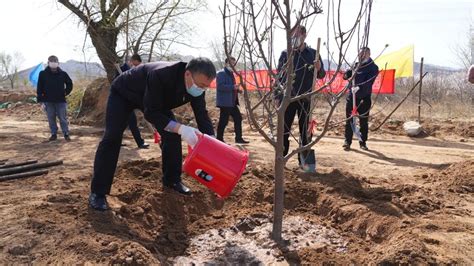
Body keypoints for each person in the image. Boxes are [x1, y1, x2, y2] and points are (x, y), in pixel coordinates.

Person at [89, 57, 216, 211]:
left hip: (155, 101)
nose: (202, 89)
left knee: (172, 135)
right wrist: (182, 129)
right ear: (188, 74)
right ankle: (98, 193)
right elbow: (151, 113)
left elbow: (201, 114)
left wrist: (212, 142)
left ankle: (172, 180)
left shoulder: (198, 88)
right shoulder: (161, 74)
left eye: (206, 87)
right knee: (112, 137)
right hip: (125, 93)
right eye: (201, 85)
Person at [276, 25, 325, 156]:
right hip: (288, 98)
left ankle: (304, 160)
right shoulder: (286, 54)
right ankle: (282, 158)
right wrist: (277, 97)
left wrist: (319, 68)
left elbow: (321, 75)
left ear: (304, 35)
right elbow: (279, 77)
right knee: (284, 130)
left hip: (306, 98)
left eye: (297, 35)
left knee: (305, 132)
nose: (294, 39)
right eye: (292, 36)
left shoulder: (314, 54)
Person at [342, 47, 379, 151]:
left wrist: (359, 87)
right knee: (349, 119)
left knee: (363, 121)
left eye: (363, 54)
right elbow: (347, 75)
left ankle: (362, 142)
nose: (361, 56)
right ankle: (347, 141)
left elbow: (369, 81)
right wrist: (346, 75)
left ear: (368, 54)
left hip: (364, 97)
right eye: (359, 54)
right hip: (352, 97)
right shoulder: (356, 65)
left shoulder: (373, 67)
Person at [37, 55, 73, 141]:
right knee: (51, 118)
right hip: (48, 101)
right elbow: (39, 87)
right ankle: (53, 134)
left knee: (63, 118)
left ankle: (66, 133)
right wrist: (41, 101)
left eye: (55, 61)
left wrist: (66, 92)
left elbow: (70, 84)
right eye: (51, 61)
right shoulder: (42, 74)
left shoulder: (63, 74)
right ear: (48, 63)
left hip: (60, 100)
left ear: (58, 63)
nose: (53, 63)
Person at [117, 54, 149, 149]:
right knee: (127, 123)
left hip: (130, 101)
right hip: (121, 101)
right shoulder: (121, 69)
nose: (137, 67)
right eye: (136, 65)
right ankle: (139, 143)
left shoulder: (136, 71)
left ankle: (138, 142)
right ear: (131, 61)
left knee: (126, 123)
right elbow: (117, 85)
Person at [216, 56, 249, 144]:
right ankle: (219, 139)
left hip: (232, 102)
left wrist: (237, 90)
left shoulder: (231, 74)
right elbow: (220, 86)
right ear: (226, 63)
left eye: (234, 63)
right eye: (231, 63)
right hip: (225, 102)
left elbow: (231, 87)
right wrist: (233, 87)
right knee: (224, 121)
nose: (233, 65)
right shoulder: (221, 73)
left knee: (238, 118)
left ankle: (238, 138)